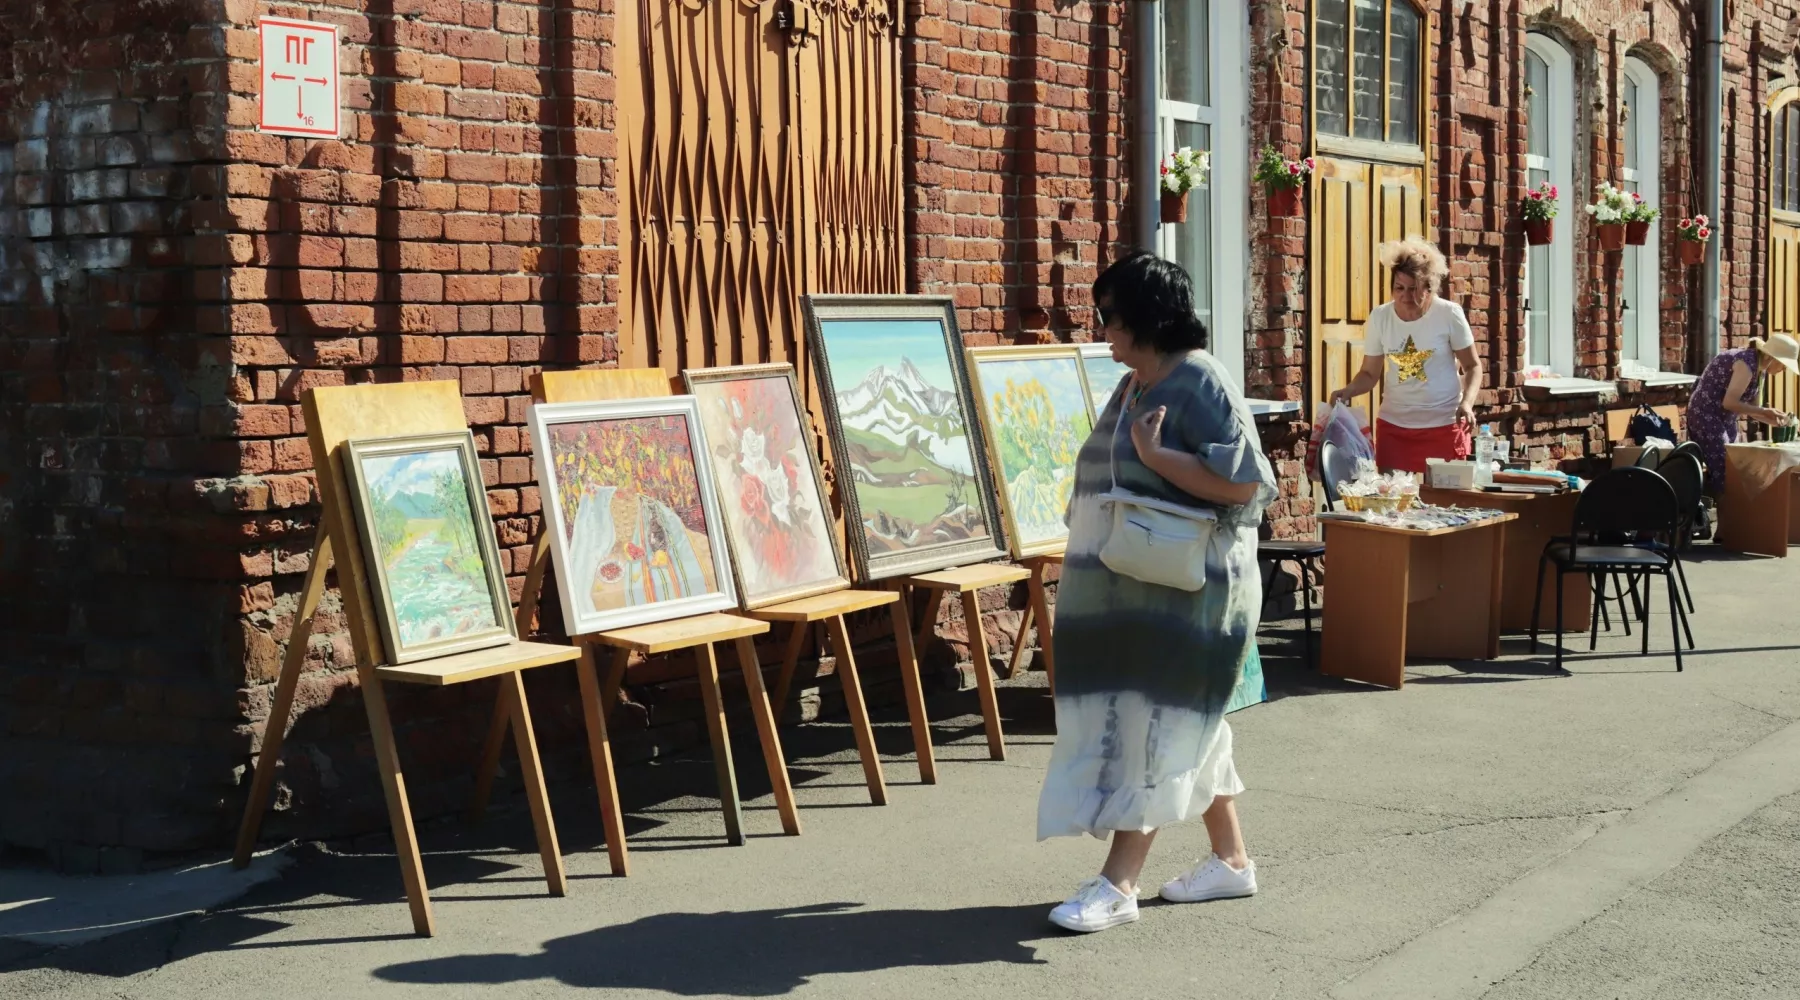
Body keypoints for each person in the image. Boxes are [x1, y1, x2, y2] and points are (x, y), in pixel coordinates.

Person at [1038, 250, 1277, 933]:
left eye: (1110, 316)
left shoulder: (1198, 379)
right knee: (1191, 725)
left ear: (1145, 318)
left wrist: (1157, 459)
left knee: (1156, 725)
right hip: (1141, 593)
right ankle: (1231, 863)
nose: (1103, 330)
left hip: (1191, 600)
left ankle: (1118, 885)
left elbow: (1245, 484)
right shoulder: (1138, 381)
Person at [1328, 238, 1484, 473]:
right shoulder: (1380, 317)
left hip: (1443, 425)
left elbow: (1473, 366)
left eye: (1414, 289)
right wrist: (1348, 390)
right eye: (1399, 288)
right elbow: (1370, 373)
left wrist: (1467, 403)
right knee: (1390, 502)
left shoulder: (1449, 314)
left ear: (1429, 288)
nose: (1405, 296)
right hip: (1394, 426)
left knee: (1444, 503)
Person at [1685, 334, 1800, 493]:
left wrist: (1775, 421)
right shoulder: (1746, 364)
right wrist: (1765, 411)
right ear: (1771, 357)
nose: (1785, 369)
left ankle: (1735, 510)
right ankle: (1727, 512)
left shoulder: (1762, 371)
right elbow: (1730, 402)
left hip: (1726, 418)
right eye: (1784, 364)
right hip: (1706, 414)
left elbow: (1752, 410)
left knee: (1735, 464)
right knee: (1723, 466)